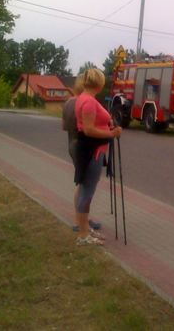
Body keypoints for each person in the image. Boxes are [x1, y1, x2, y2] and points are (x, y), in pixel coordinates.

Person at [74, 68, 122, 246]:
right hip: (92, 150)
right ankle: (83, 235)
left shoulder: (85, 98)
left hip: (93, 150)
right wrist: (112, 134)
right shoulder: (88, 101)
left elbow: (93, 123)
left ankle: (85, 229)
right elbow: (88, 130)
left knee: (86, 190)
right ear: (99, 83)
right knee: (87, 191)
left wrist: (106, 123)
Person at [61, 76, 102, 232]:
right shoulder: (83, 103)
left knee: (83, 183)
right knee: (85, 185)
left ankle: (83, 218)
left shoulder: (67, 103)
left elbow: (64, 126)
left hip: (71, 144)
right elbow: (88, 128)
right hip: (83, 146)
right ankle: (80, 220)